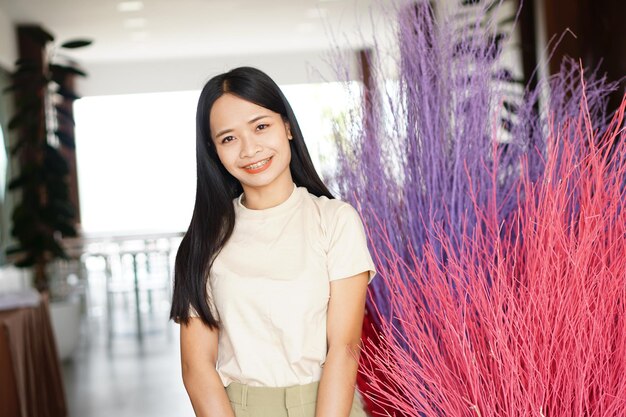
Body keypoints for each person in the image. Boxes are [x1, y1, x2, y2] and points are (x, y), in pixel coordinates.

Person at [170, 66, 376, 417]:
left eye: (261, 126)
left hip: (330, 407)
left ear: (288, 127)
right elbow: (196, 367)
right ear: (214, 151)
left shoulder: (335, 220)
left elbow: (344, 347)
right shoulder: (204, 240)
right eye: (228, 138)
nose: (250, 149)